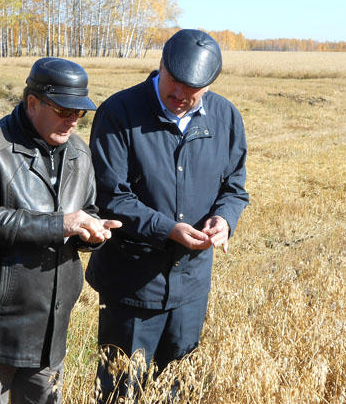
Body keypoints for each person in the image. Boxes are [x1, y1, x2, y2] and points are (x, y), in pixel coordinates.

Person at [87, 29, 250, 401]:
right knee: (121, 392)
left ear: (209, 85)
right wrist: (167, 230)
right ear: (160, 66)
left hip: (191, 287)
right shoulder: (119, 112)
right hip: (131, 287)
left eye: (190, 92)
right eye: (172, 85)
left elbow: (234, 190)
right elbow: (110, 196)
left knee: (177, 391)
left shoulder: (225, 119)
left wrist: (224, 219)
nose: (178, 97)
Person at [0, 57, 121, 404]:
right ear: (33, 103)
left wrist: (91, 233)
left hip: (51, 326)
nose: (73, 120)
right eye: (64, 110)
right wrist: (60, 224)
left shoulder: (78, 150)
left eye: (80, 113)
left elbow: (87, 210)